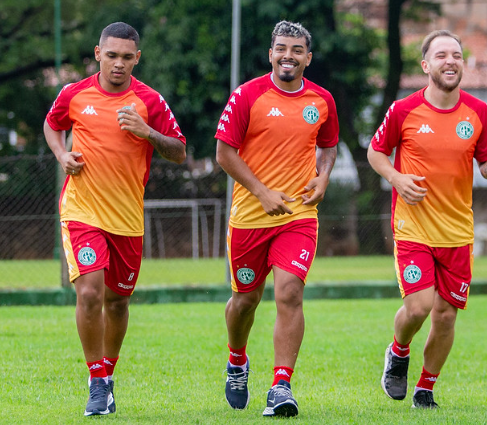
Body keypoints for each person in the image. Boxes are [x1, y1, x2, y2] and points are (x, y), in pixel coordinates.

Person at [44, 22, 186, 416]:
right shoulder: (74, 94)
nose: (118, 64)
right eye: (112, 55)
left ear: (137, 59)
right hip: (82, 210)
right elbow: (52, 124)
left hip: (127, 219)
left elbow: (179, 151)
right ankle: (95, 380)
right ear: (97, 54)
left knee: (118, 301)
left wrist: (146, 132)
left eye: (127, 57)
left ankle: (108, 374)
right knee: (90, 292)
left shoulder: (150, 101)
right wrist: (62, 155)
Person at [367, 30, 487, 409]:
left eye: (457, 55)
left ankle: (425, 388)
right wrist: (396, 178)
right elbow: (376, 152)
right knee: (419, 307)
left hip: (458, 232)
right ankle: (398, 352)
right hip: (413, 228)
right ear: (426, 65)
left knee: (445, 316)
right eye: (442, 55)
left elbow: (485, 160)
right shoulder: (403, 110)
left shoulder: (478, 112)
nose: (451, 61)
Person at [215, 20, 339, 417]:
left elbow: (329, 145)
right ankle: (237, 361)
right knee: (244, 301)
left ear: (308, 57)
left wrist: (323, 177)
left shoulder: (322, 100)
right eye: (281, 48)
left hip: (297, 216)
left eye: (297, 49)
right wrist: (263, 192)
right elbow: (224, 153)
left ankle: (281, 386)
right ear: (270, 54)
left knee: (289, 293)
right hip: (250, 218)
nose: (289, 55)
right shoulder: (247, 95)